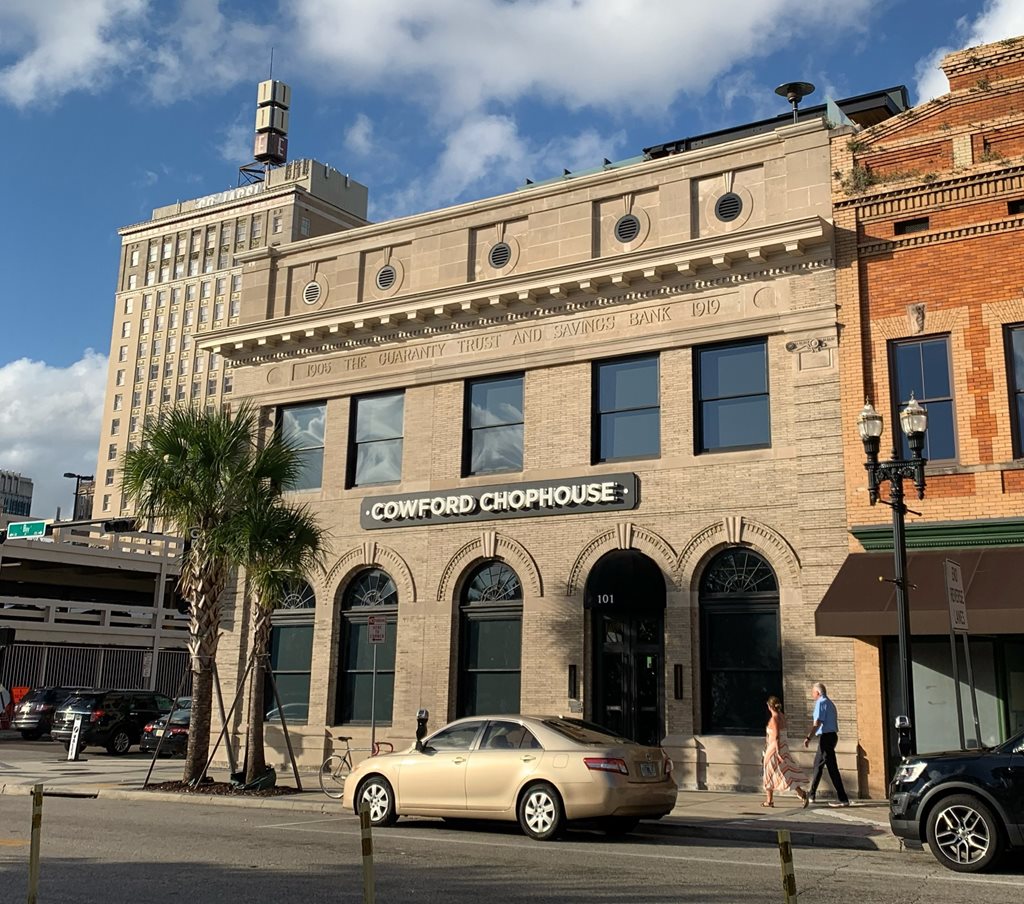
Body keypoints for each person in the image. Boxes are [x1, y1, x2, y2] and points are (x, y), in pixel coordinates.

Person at [803, 681, 850, 807]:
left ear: (817, 693)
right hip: (831, 736)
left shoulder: (821, 703)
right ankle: (812, 794)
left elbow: (817, 723)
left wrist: (808, 737)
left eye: (813, 692)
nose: (812, 695)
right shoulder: (829, 703)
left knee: (831, 768)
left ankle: (843, 798)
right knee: (818, 765)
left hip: (826, 737)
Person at [762, 696, 809, 808]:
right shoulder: (782, 716)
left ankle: (769, 801)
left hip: (774, 748)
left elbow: (776, 736)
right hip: (783, 747)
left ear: (770, 706)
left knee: (768, 773)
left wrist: (777, 752)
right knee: (784, 772)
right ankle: (801, 793)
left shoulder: (774, 719)